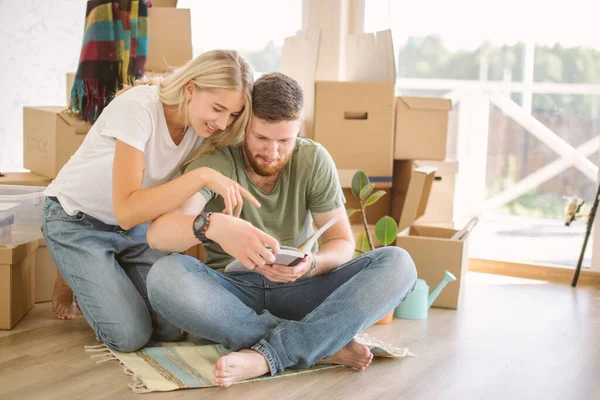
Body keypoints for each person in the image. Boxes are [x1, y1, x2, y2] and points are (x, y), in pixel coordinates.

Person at [145, 72, 417, 387]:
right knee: (164, 276)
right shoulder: (217, 163)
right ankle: (318, 344)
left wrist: (313, 264)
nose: (272, 153)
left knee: (399, 264)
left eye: (284, 141)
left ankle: (270, 354)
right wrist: (212, 226)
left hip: (304, 288)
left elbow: (341, 240)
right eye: (261, 138)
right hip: (234, 293)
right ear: (244, 125)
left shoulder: (313, 159)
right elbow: (161, 235)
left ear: (299, 129)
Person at [43, 50, 259, 352]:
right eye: (218, 108)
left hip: (134, 230)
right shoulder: (138, 108)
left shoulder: (203, 127)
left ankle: (106, 271)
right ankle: (72, 271)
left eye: (233, 114)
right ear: (190, 89)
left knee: (172, 327)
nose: (223, 123)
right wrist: (201, 176)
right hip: (77, 221)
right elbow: (128, 210)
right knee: (130, 336)